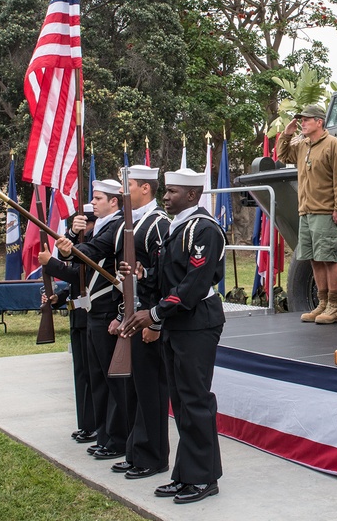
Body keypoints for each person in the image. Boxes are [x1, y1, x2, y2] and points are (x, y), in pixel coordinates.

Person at [119, 167, 225, 505]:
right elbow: (167, 277)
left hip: (198, 322)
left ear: (192, 195)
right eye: (166, 191)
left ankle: (204, 478)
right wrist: (143, 274)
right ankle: (186, 474)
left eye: (173, 192)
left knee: (195, 400)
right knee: (180, 402)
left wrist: (153, 314)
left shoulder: (205, 229)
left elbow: (193, 285)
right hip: (177, 324)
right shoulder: (177, 227)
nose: (165, 197)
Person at [55, 179, 127, 461]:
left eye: (98, 198)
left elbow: (91, 254)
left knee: (110, 381)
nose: (93, 203)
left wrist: (67, 250)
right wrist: (70, 241)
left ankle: (115, 438)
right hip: (93, 310)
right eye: (94, 197)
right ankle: (104, 434)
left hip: (108, 308)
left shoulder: (116, 226)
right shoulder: (100, 227)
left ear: (114, 202)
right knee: (97, 378)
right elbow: (81, 259)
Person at [110, 165, 172, 480]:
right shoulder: (130, 224)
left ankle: (153, 455)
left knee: (151, 390)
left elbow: (164, 277)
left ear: (146, 188)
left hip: (149, 317)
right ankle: (136, 450)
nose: (125, 192)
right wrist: (121, 315)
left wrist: (154, 323)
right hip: (134, 314)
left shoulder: (158, 224)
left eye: (130, 185)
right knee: (136, 389)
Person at [276, 104, 337, 324]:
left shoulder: (332, 144)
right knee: (313, 259)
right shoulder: (302, 145)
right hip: (306, 210)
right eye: (302, 120)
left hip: (325, 210)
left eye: (307, 119)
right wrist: (287, 134)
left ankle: (334, 305)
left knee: (328, 258)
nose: (303, 123)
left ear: (319, 121)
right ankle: (321, 302)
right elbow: (283, 156)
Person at [39, 204, 97, 445]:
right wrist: (58, 298)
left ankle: (94, 425)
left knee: (92, 376)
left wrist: (50, 263)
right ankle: (85, 424)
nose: (76, 227)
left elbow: (79, 274)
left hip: (90, 314)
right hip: (77, 314)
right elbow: (74, 283)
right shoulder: (79, 242)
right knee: (81, 374)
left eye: (81, 223)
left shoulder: (96, 242)